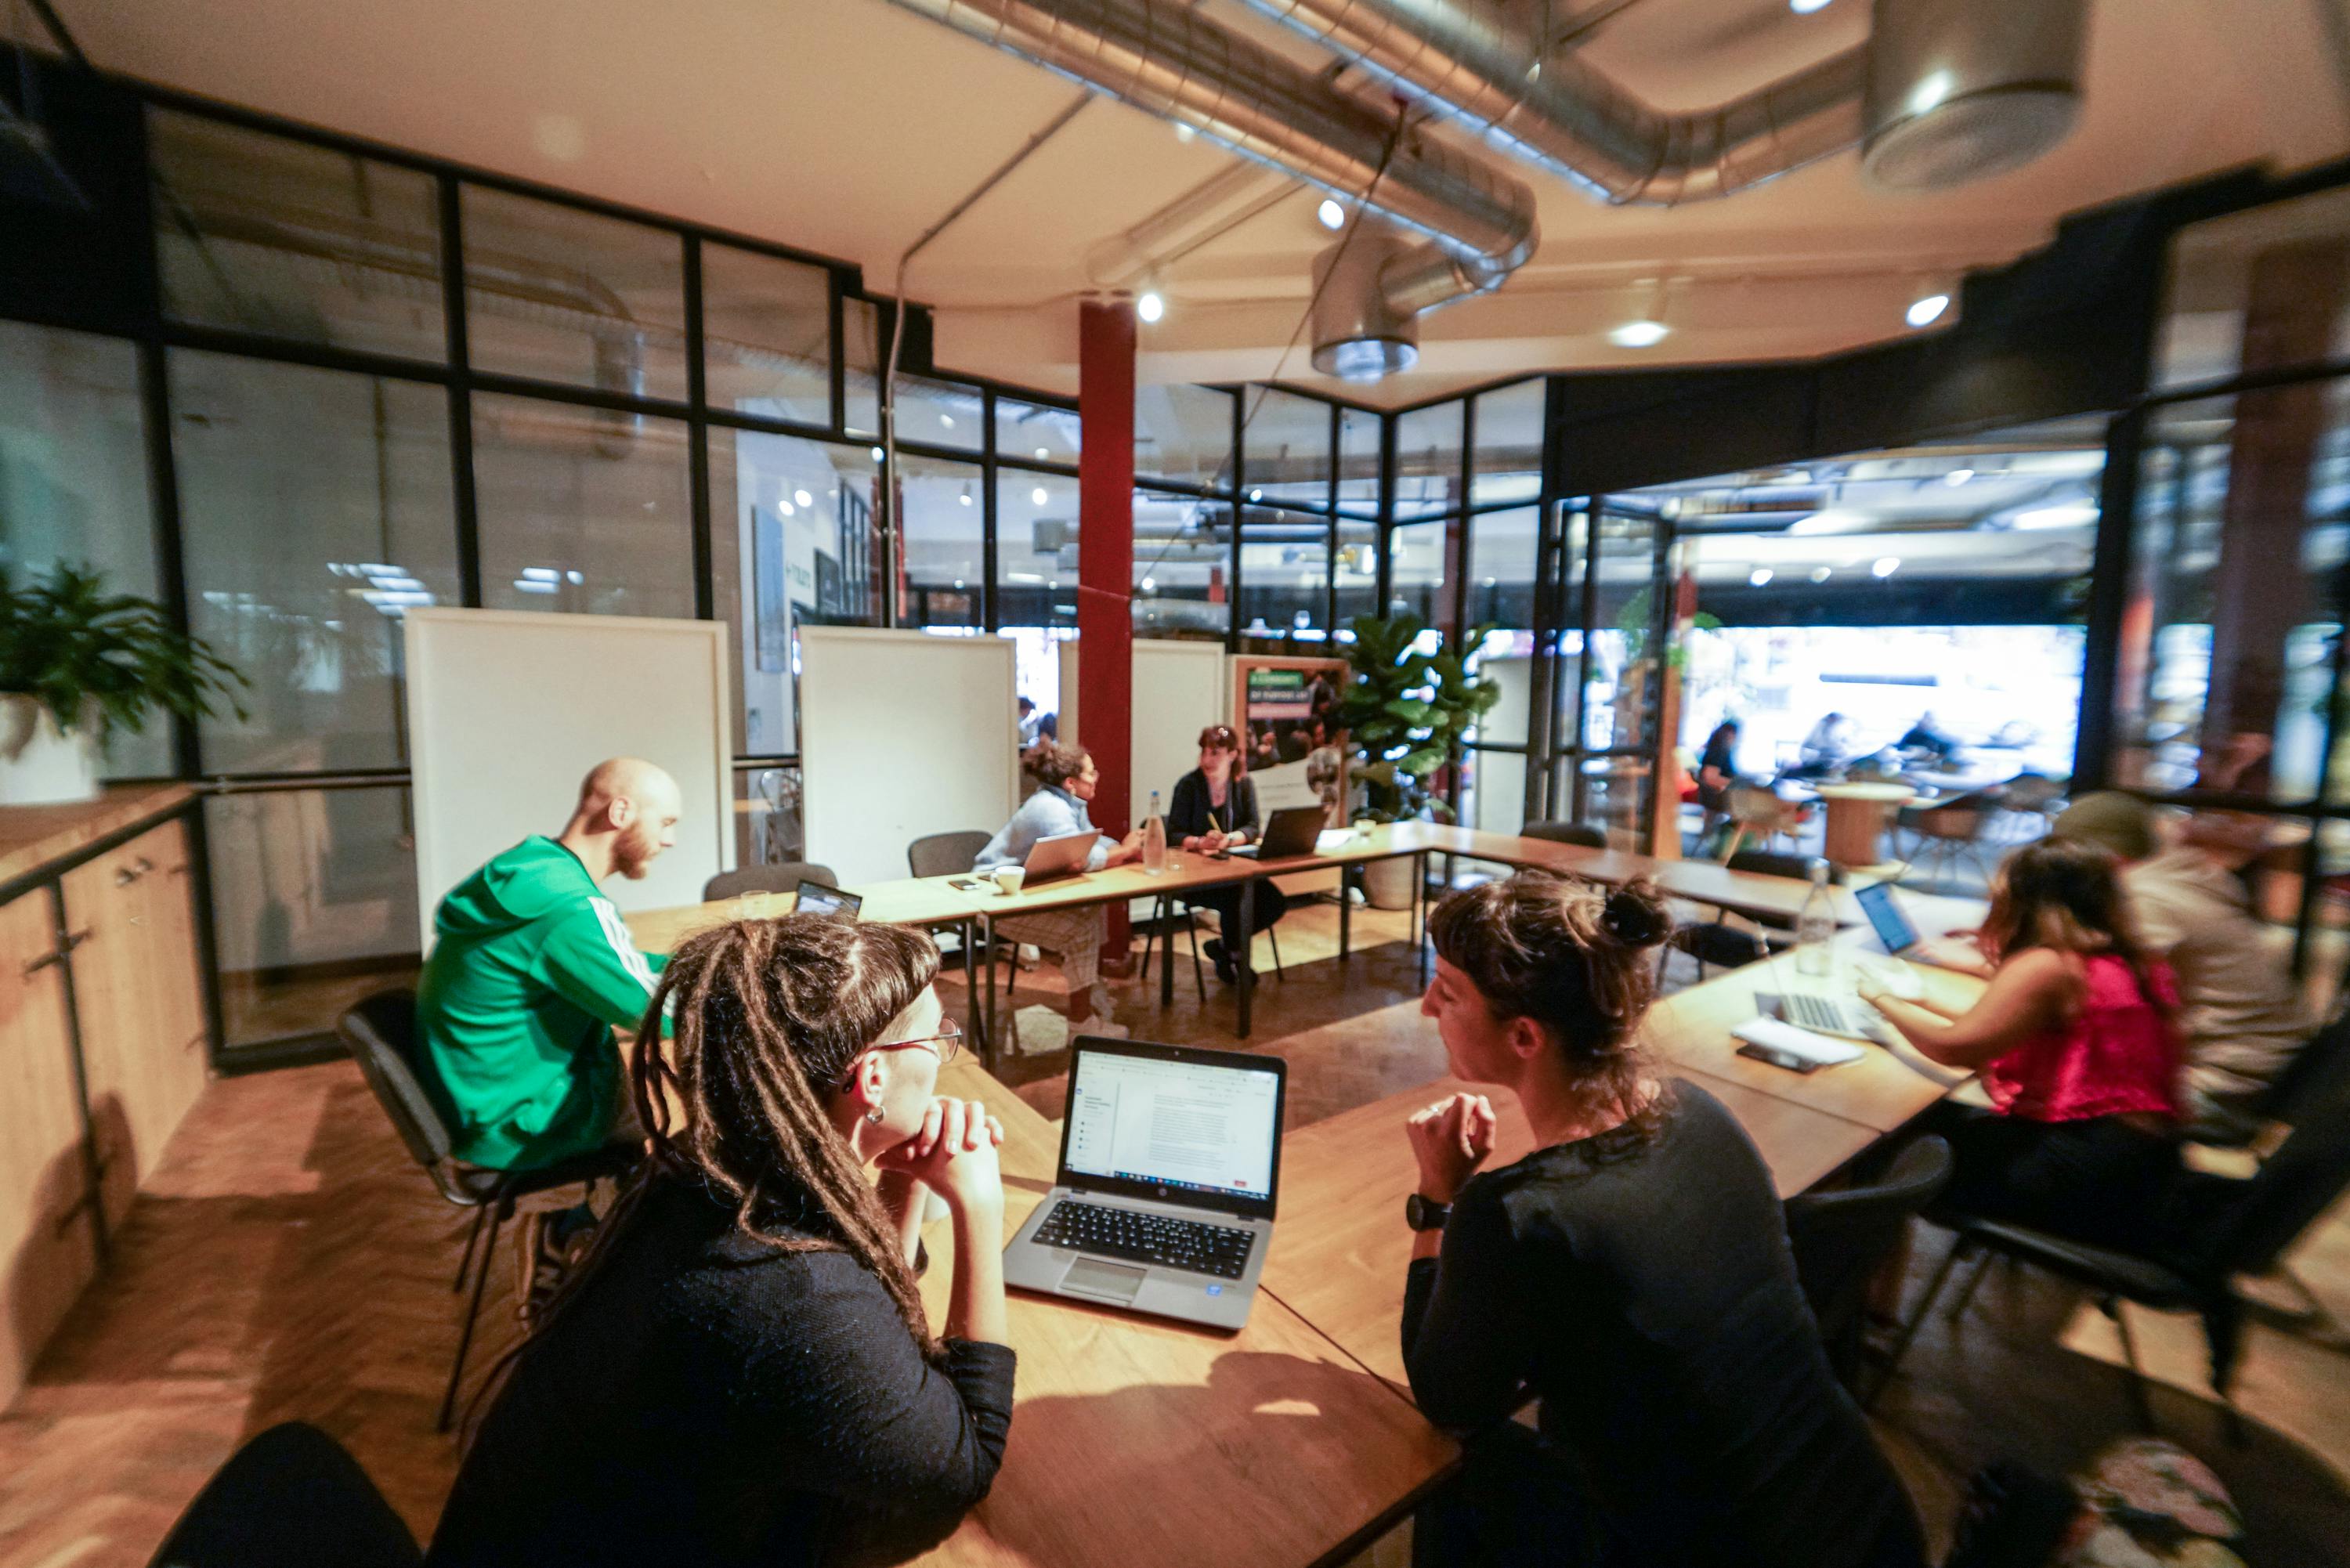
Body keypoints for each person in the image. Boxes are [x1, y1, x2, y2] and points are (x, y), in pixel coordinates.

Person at [428, 916, 1014, 1568]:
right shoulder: (790, 1286)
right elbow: (962, 1462)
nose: (943, 1057)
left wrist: (894, 1174)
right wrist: (980, 1204)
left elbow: (880, 1340)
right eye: (938, 1038)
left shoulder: (707, 1171)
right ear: (870, 1077)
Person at [1401, 872, 1925, 1568]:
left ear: (1525, 1035)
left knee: (1461, 1470)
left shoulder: (1517, 1214)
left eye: (1449, 991)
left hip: (1709, 1552)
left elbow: (1447, 1397)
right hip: (1864, 1520)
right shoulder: (1697, 1111)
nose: (1425, 1007)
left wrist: (1438, 1200)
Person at [1860, 839, 2183, 1252]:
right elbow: (1996, 1025)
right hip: (2140, 1166)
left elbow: (1954, 1049)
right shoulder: (2130, 960)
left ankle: (1860, 1301)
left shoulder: (2048, 964)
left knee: (1885, 1147)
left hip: (2080, 1171)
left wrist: (1878, 998)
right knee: (1935, 1117)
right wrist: (1916, 1000)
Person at [415, 757, 681, 1174]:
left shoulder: (536, 869)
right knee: (682, 1113)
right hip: (527, 1124)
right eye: (666, 822)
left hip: (478, 1099)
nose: (671, 840)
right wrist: (761, 991)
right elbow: (662, 1015)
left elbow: (616, 968)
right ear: (621, 813)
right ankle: (598, 1225)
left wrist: (697, 964)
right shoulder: (568, 908)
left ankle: (579, 1218)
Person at [2051, 792, 2308, 1142]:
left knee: (2045, 1091)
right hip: (2278, 1069)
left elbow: (2092, 988)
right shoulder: (2185, 875)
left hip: (2227, 1082)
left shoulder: (2142, 897)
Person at [976, 742, 1143, 1031]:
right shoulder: (1050, 809)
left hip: (1023, 890)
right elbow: (1083, 858)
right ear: (1071, 783)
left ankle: (1091, 992)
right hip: (993, 899)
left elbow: (1088, 841)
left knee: (1093, 910)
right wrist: (1127, 851)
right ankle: (1082, 1023)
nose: (1096, 778)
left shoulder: (1068, 803)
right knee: (1080, 932)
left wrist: (1121, 848)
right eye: (1091, 773)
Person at [1166, 724, 1290, 985]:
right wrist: (1201, 841)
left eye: (1215, 753)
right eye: (1204, 752)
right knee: (1236, 897)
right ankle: (1234, 955)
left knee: (1274, 901)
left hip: (1233, 868)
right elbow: (1173, 833)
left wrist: (1229, 839)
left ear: (1232, 755)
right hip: (1194, 876)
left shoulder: (1243, 784)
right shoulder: (1189, 786)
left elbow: (1253, 826)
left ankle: (1225, 948)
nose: (1206, 759)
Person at [1695, 718, 1740, 819]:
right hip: (1716, 798)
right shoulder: (1718, 751)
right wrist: (1735, 783)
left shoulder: (1717, 749)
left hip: (1715, 796)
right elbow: (1709, 777)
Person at [1797, 712, 1856, 776]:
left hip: (1823, 761)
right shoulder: (1820, 727)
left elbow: (1835, 745)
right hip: (1815, 763)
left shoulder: (1833, 728)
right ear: (1831, 718)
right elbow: (1822, 744)